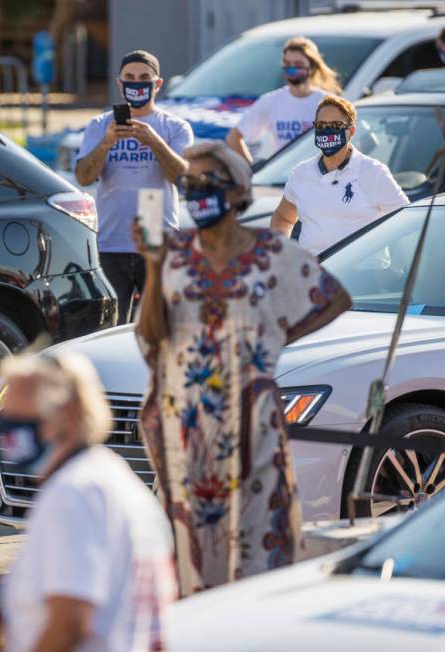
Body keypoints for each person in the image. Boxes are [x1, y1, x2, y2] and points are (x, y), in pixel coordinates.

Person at [134, 140, 351, 596]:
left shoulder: (270, 252)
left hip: (250, 422)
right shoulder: (174, 253)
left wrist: (266, 343)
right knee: (188, 548)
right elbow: (151, 336)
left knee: (255, 541)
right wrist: (153, 267)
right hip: (187, 425)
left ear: (236, 191)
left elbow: (332, 297)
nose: (196, 192)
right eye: (189, 183)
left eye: (208, 182)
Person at [0, 352, 176, 652]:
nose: (11, 433)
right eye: (6, 417)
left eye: (22, 418)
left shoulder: (73, 494)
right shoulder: (116, 477)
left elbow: (70, 621)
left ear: (68, 412)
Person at [75, 49, 193, 324]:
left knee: (157, 326)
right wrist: (106, 143)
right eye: (129, 77)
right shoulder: (100, 125)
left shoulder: (174, 127)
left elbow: (183, 177)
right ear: (120, 83)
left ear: (158, 83)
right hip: (111, 240)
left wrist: (154, 141)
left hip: (155, 237)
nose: (136, 83)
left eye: (144, 77)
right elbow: (83, 177)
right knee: (110, 327)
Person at [271, 95, 408, 254]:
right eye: (321, 125)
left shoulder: (374, 172)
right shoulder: (301, 173)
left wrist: (393, 267)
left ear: (351, 131)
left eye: (335, 125)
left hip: (362, 273)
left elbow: (406, 221)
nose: (327, 131)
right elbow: (283, 217)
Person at [227, 36, 341, 164]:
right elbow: (234, 137)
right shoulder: (271, 101)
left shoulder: (328, 103)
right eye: (287, 64)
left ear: (312, 67)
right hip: (284, 179)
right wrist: (251, 170)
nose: (292, 69)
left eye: (298, 65)